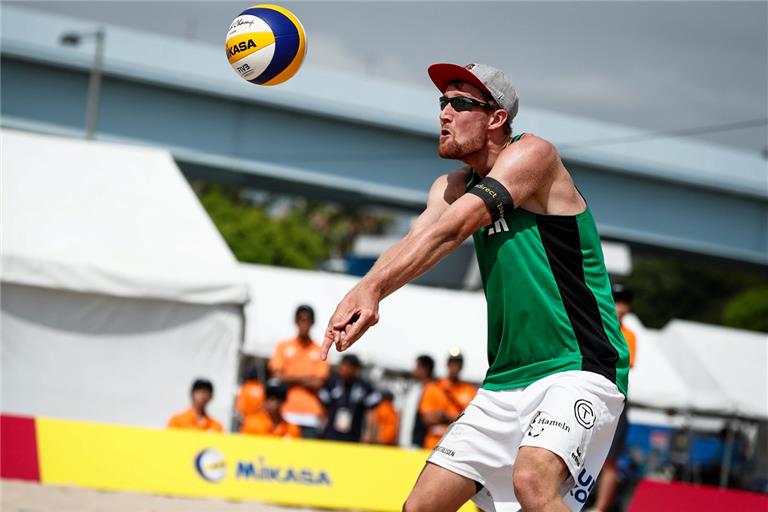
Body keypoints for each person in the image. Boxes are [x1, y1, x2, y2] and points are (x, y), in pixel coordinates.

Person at [321, 62, 630, 511]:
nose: (444, 112)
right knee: (420, 507)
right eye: (442, 102)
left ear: (496, 118)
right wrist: (366, 288)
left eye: (459, 102)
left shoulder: (534, 156)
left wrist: (373, 290)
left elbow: (453, 231)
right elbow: (419, 240)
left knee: (532, 482)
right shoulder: (450, 185)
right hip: (506, 377)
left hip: (578, 363)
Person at [588, 284, 637, 512]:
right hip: (589, 394)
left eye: (624, 303)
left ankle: (600, 508)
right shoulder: (592, 324)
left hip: (613, 400)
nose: (621, 308)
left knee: (610, 459)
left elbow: (620, 364)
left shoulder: (628, 335)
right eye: (617, 302)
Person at [269, 305, 329, 438]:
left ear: (312, 323)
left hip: (310, 415)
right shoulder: (283, 346)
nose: (304, 324)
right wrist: (306, 378)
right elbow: (276, 377)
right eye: (301, 320)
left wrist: (289, 378)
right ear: (296, 322)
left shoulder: (320, 349)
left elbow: (318, 382)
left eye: (307, 320)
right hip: (286, 412)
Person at [422, 349, 478, 450]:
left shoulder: (470, 391)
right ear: (447, 364)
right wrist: (456, 417)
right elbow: (427, 418)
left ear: (462, 366)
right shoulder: (434, 388)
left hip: (458, 445)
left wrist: (443, 415)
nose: (454, 365)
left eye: (457, 362)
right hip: (433, 444)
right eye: (452, 362)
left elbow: (471, 420)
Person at [319, 354, 381, 442]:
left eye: (349, 367)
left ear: (356, 369)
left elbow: (371, 412)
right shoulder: (332, 383)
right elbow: (323, 406)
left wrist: (368, 432)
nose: (345, 370)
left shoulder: (364, 387)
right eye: (343, 366)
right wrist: (322, 425)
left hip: (354, 435)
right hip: (331, 433)